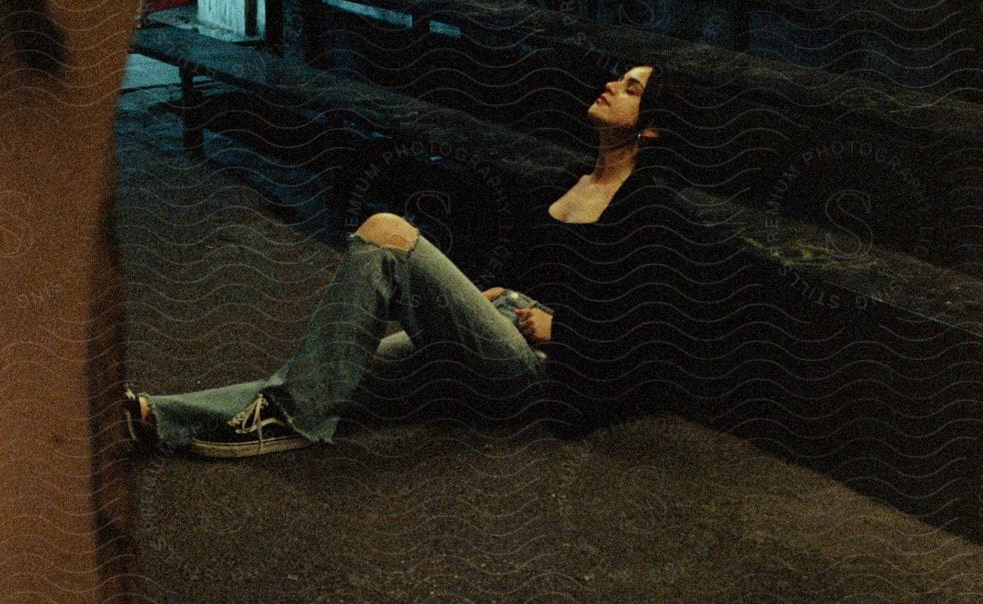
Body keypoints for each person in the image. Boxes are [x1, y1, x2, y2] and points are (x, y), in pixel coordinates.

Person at [127, 63, 685, 456]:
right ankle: (155, 417)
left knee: (387, 232)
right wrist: (487, 294)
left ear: (650, 126)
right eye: (619, 78)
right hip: (501, 327)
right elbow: (535, 269)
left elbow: (655, 336)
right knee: (323, 378)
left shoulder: (649, 208)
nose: (612, 85)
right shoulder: (573, 180)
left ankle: (290, 419)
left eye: (630, 88)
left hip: (543, 376)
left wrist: (566, 331)